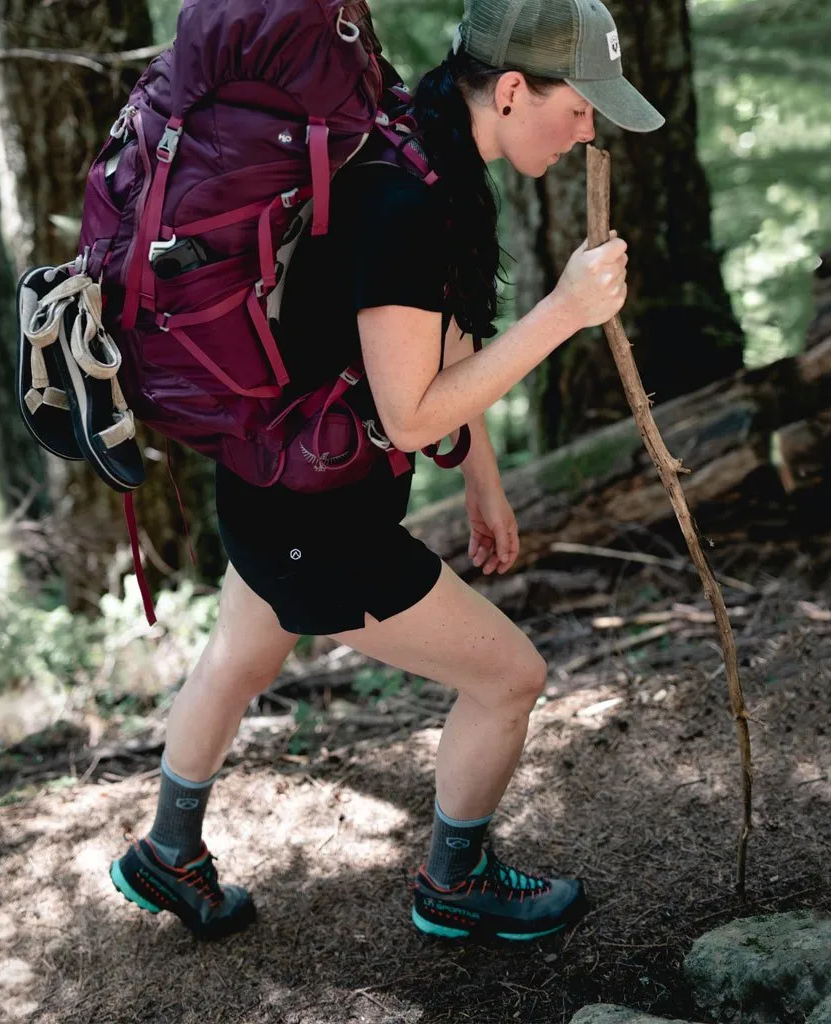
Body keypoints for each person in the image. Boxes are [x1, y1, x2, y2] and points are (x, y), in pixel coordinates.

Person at [110, 0, 663, 943]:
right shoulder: (409, 199)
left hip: (271, 483)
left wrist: (483, 476)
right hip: (321, 521)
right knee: (510, 679)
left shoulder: (420, 143)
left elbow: (437, 342)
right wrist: (565, 312)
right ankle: (455, 882)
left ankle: (167, 853)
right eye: (579, 107)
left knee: (238, 657)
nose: (588, 130)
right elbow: (410, 410)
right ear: (515, 89)